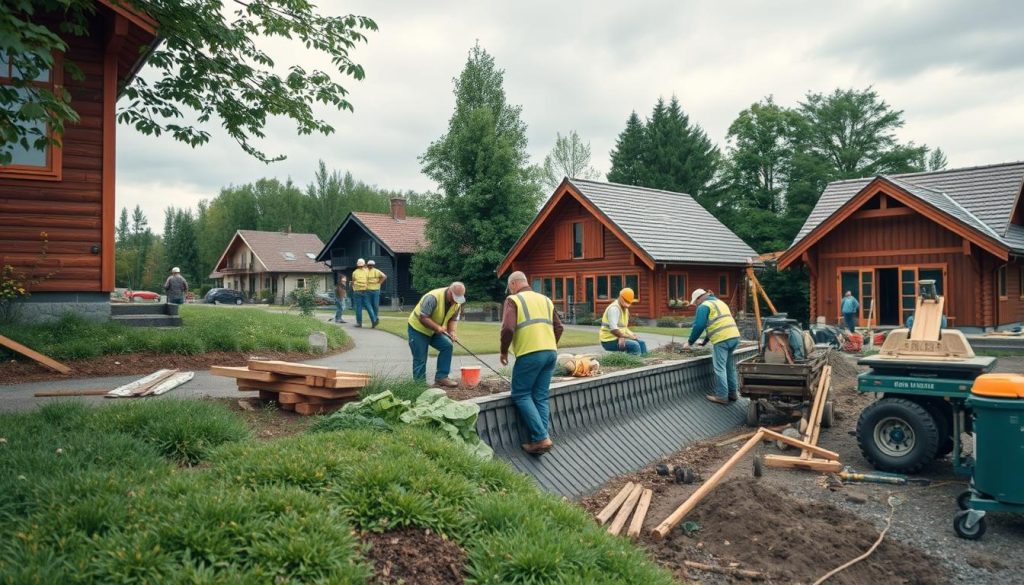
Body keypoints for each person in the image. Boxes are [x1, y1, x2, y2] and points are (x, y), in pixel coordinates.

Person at [500, 271, 563, 455]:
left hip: (529, 353)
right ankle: (540, 439)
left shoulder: (514, 300)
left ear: (513, 284)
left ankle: (542, 438)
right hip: (550, 352)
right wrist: (549, 344)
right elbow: (559, 327)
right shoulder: (545, 299)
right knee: (540, 396)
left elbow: (508, 328)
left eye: (510, 288)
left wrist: (504, 350)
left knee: (521, 394)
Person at [684, 288, 742, 405]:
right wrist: (704, 342)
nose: (696, 304)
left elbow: (699, 326)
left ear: (700, 298)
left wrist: (690, 342)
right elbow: (717, 324)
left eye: (696, 302)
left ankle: (722, 396)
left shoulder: (704, 306)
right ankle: (733, 393)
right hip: (734, 337)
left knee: (719, 368)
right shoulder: (720, 303)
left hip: (722, 340)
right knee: (729, 367)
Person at [407, 282, 466, 387]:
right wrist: (437, 327)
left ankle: (441, 377)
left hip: (434, 330)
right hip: (418, 329)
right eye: (454, 298)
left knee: (447, 346)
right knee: (420, 357)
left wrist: (452, 332)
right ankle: (419, 385)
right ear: (449, 291)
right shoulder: (432, 297)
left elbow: (453, 319)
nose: (455, 302)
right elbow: (423, 317)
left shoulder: (457, 303)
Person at [599, 288, 646, 355]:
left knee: (641, 343)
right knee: (634, 345)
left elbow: (623, 327)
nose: (627, 304)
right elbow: (613, 329)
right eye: (626, 301)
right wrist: (622, 337)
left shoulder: (625, 309)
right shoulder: (614, 309)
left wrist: (631, 334)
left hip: (618, 337)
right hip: (609, 340)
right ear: (620, 297)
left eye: (629, 302)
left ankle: (647, 362)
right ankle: (635, 363)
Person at [350, 259, 372, 328]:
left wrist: (353, 288)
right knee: (368, 306)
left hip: (357, 291)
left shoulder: (354, 272)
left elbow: (353, 282)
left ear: (357, 265)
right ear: (364, 264)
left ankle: (359, 323)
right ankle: (373, 320)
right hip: (366, 291)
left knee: (358, 308)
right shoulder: (367, 271)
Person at [365, 259, 387, 327]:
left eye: (371, 265)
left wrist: (379, 282)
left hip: (374, 290)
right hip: (369, 290)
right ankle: (374, 320)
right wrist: (379, 282)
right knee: (373, 306)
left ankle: (374, 321)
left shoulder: (376, 271)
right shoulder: (367, 271)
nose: (370, 266)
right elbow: (384, 276)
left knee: (374, 306)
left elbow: (384, 276)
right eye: (369, 265)